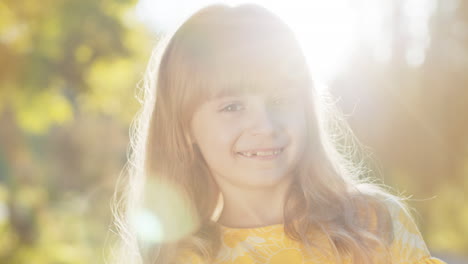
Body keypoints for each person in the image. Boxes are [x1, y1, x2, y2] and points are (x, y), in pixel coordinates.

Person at [110, 3, 447, 264]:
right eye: (232, 106)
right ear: (184, 128)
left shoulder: (373, 222)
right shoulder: (186, 258)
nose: (265, 125)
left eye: (280, 99)